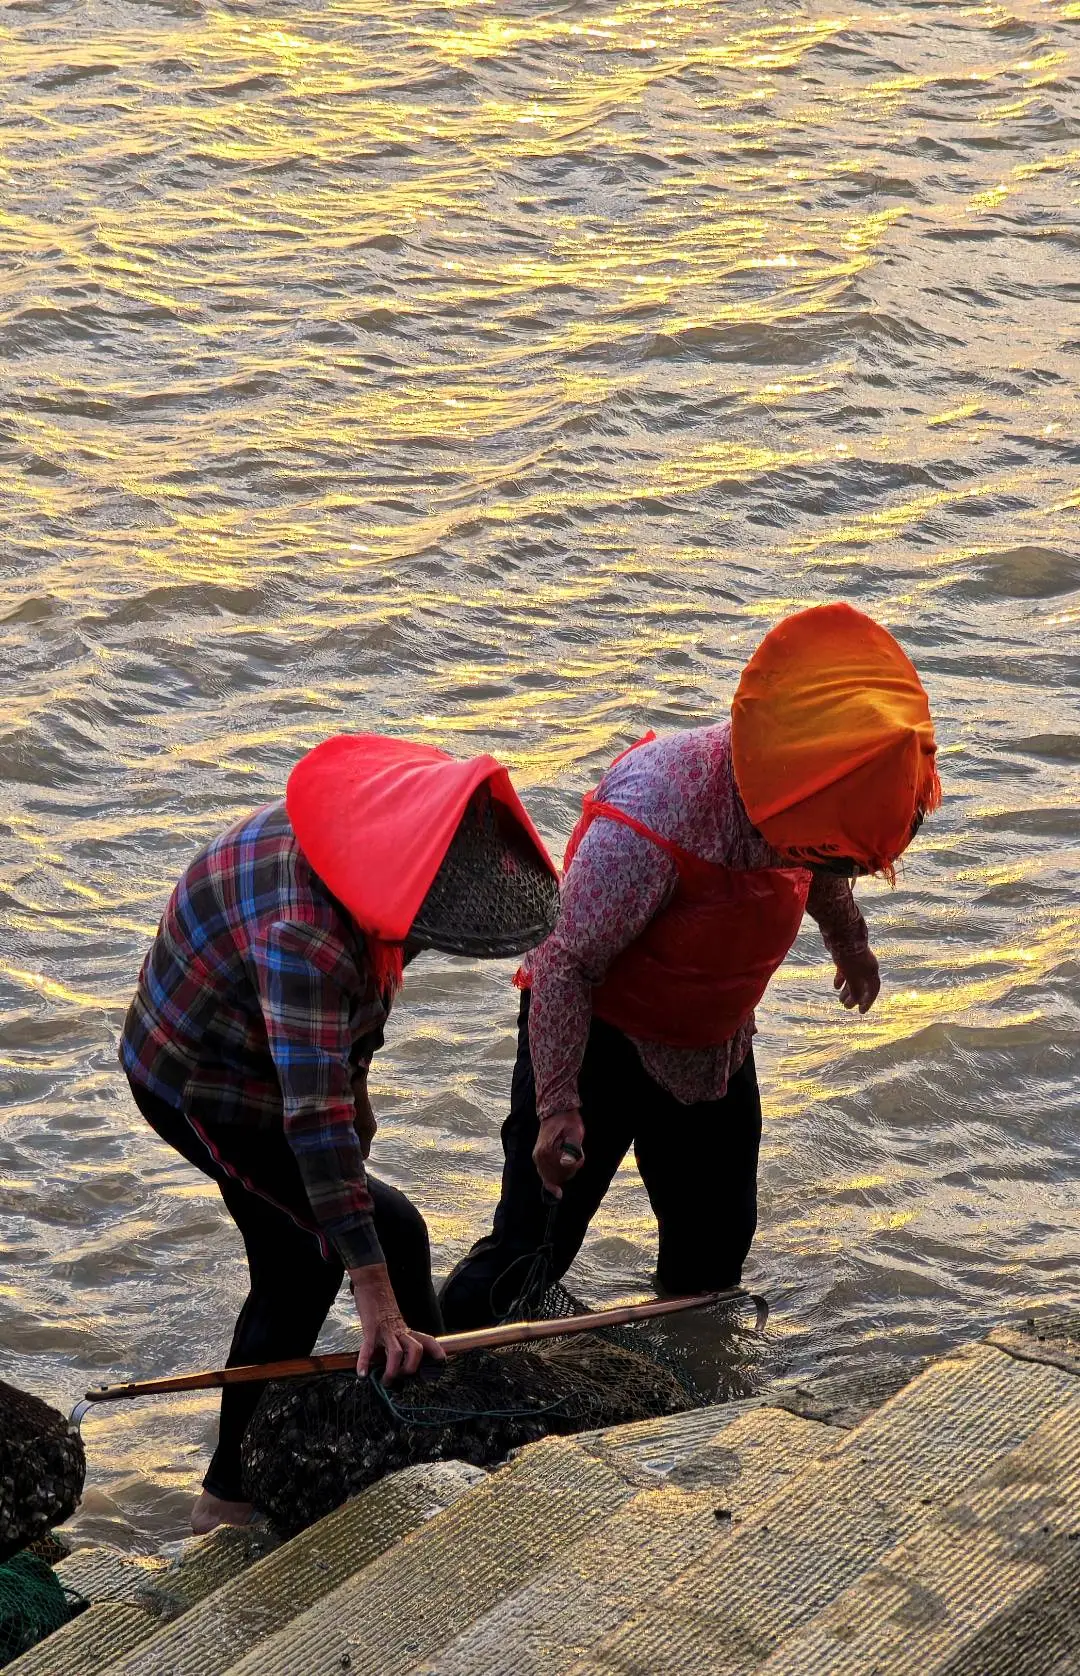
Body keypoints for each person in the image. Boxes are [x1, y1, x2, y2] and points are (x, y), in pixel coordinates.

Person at [440, 603, 940, 1331]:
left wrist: (850, 941)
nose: (836, 870)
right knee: (531, 1250)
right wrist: (557, 1108)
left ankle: (680, 1406)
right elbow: (563, 965)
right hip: (595, 1041)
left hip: (712, 1044)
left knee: (712, 1259)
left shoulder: (804, 799)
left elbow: (823, 868)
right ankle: (435, 1368)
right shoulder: (654, 816)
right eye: (841, 860)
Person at [120, 733, 558, 1533]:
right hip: (201, 1079)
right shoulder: (305, 935)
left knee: (337, 1240)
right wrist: (375, 1295)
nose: (425, 945)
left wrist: (359, 1090)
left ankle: (426, 1428)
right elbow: (310, 1119)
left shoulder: (383, 860)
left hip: (277, 1048)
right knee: (346, 1246)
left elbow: (362, 1003)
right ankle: (227, 1499)